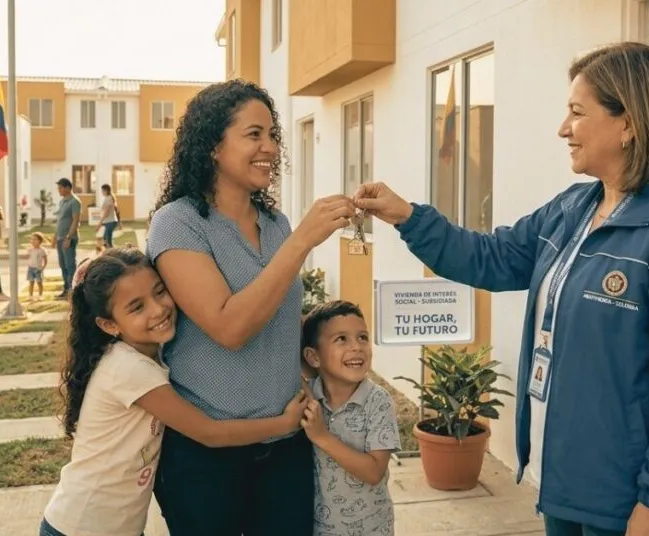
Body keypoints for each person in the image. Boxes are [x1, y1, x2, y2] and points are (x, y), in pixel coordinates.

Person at [353, 42, 649, 536]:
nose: (563, 128)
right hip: (565, 485)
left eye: (577, 112)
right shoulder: (573, 209)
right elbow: (490, 258)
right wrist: (407, 216)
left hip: (630, 502)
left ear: (630, 123)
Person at [146, 79, 355, 535]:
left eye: (272, 135)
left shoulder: (275, 224)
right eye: (253, 134)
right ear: (213, 146)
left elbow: (277, 318)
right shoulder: (178, 223)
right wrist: (302, 242)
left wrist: (338, 349)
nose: (270, 147)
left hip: (285, 444)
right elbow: (229, 326)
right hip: (208, 460)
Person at [39, 248, 309, 536]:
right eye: (136, 307)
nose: (158, 309)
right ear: (109, 325)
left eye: (159, 292)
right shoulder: (129, 370)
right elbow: (209, 432)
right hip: (83, 527)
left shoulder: (148, 356)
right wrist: (284, 423)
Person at [300, 301, 400, 536]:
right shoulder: (310, 395)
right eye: (341, 339)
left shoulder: (378, 401)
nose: (357, 347)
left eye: (363, 337)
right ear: (313, 357)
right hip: (318, 528)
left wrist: (322, 436)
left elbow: (374, 472)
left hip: (371, 528)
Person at [54, 178, 82, 299]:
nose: (59, 190)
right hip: (60, 238)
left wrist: (69, 237)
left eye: (60, 188)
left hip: (68, 238)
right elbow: (60, 220)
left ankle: (73, 291)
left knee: (70, 265)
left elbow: (76, 221)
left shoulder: (74, 201)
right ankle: (66, 289)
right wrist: (55, 236)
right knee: (62, 264)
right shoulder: (62, 202)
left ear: (68, 188)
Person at [26, 232, 48, 301]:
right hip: (30, 268)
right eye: (32, 239)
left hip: (38, 269)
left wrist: (43, 268)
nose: (33, 241)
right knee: (31, 282)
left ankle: (40, 295)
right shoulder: (30, 249)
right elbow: (28, 257)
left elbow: (45, 260)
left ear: (40, 241)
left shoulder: (42, 250)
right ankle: (30, 295)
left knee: (39, 283)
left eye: (35, 239)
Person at [96, 183, 119, 248]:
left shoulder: (108, 198)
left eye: (102, 191)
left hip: (110, 222)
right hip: (108, 222)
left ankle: (112, 255)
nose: (101, 192)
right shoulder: (107, 198)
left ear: (106, 190)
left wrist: (99, 224)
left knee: (108, 241)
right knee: (105, 239)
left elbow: (106, 213)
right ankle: (109, 253)